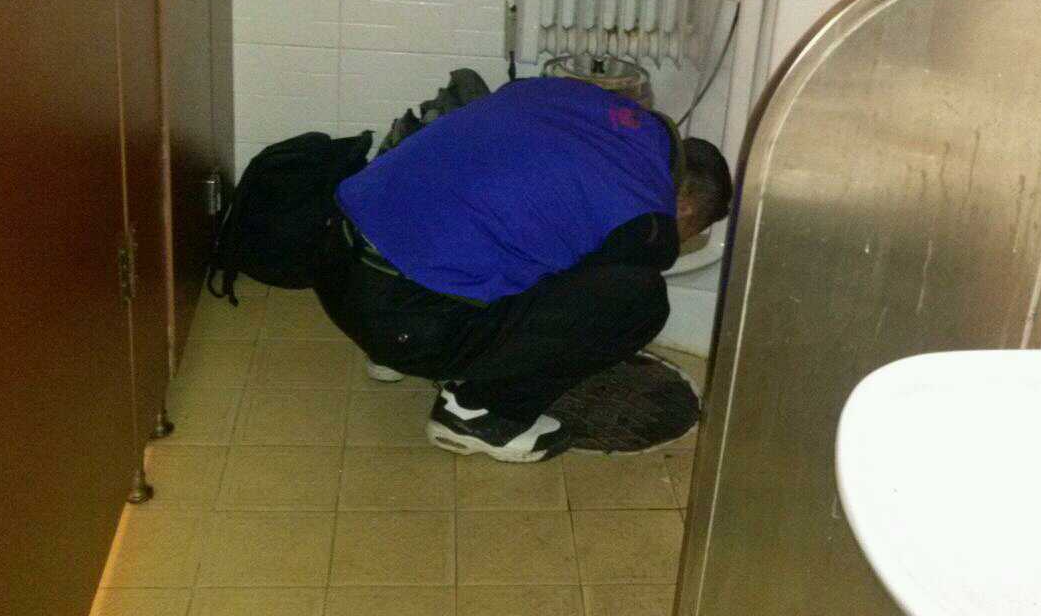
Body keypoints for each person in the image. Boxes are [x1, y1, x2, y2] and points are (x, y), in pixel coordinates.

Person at [314, 76, 733, 463]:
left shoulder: (578, 101)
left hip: (333, 254)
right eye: (689, 232)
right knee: (639, 300)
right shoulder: (649, 219)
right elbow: (582, 300)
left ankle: (392, 355)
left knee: (509, 231)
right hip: (401, 317)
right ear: (684, 207)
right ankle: (480, 413)